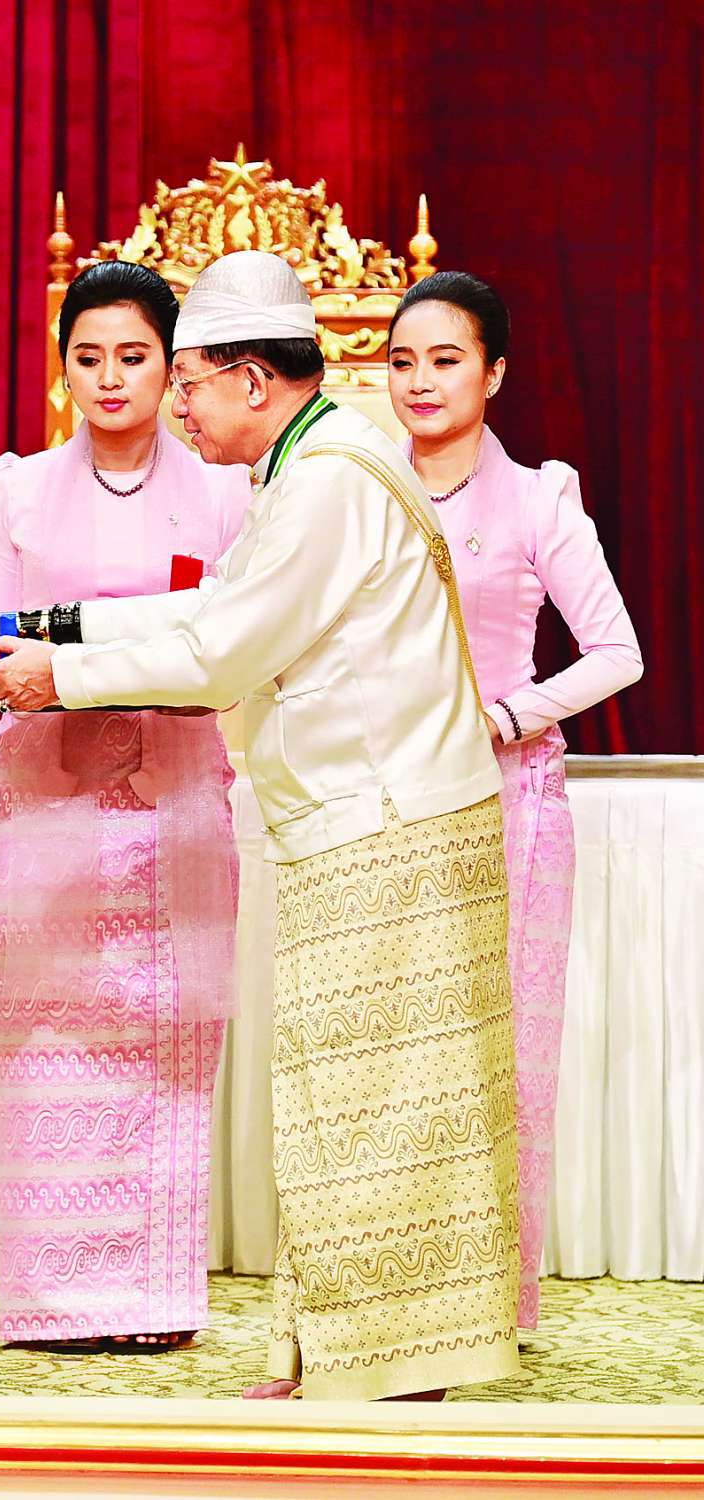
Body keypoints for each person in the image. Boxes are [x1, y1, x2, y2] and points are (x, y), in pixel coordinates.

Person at [0, 251, 521, 1401]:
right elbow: (219, 606)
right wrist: (56, 628)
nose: (178, 406)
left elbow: (221, 653)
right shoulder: (315, 459)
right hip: (369, 819)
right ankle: (345, 1355)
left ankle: (390, 1366)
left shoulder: (324, 482)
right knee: (342, 1100)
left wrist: (55, 675)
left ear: (252, 380)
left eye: (188, 382)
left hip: (385, 827)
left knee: (373, 1106)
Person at [0, 262, 252, 1353]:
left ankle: (155, 1303)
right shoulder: (18, 487)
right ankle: (51, 1300)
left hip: (177, 794)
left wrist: (90, 662)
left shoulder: (224, 492)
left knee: (167, 1040)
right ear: (62, 366)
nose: (110, 378)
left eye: (134, 356)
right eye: (88, 357)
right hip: (48, 803)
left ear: (174, 367)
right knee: (47, 1038)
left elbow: (232, 649)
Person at [387, 271, 642, 1329]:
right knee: (394, 1052)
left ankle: (489, 1298)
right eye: (401, 362)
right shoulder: (362, 488)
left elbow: (617, 652)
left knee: (497, 1055)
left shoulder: (539, 496)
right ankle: (392, 1292)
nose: (420, 382)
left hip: (506, 805)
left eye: (446, 361)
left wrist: (506, 716)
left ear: (493, 373)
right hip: (386, 802)